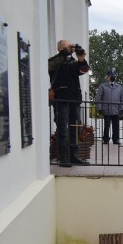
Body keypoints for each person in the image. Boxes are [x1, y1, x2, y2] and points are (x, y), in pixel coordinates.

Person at [48, 39, 90, 167]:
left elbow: (83, 70)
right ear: (61, 48)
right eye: (68, 46)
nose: (71, 48)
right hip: (61, 100)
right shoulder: (54, 61)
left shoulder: (72, 62)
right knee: (62, 127)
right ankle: (64, 157)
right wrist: (64, 54)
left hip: (74, 100)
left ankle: (74, 155)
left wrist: (81, 58)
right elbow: (51, 67)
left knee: (75, 128)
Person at [96, 69, 123, 145]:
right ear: (107, 77)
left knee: (116, 126)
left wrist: (122, 108)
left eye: (114, 76)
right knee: (106, 125)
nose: (113, 77)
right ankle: (105, 139)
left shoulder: (119, 87)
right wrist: (99, 108)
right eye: (111, 76)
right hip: (106, 109)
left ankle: (116, 139)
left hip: (116, 109)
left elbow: (122, 98)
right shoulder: (102, 86)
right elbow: (99, 98)